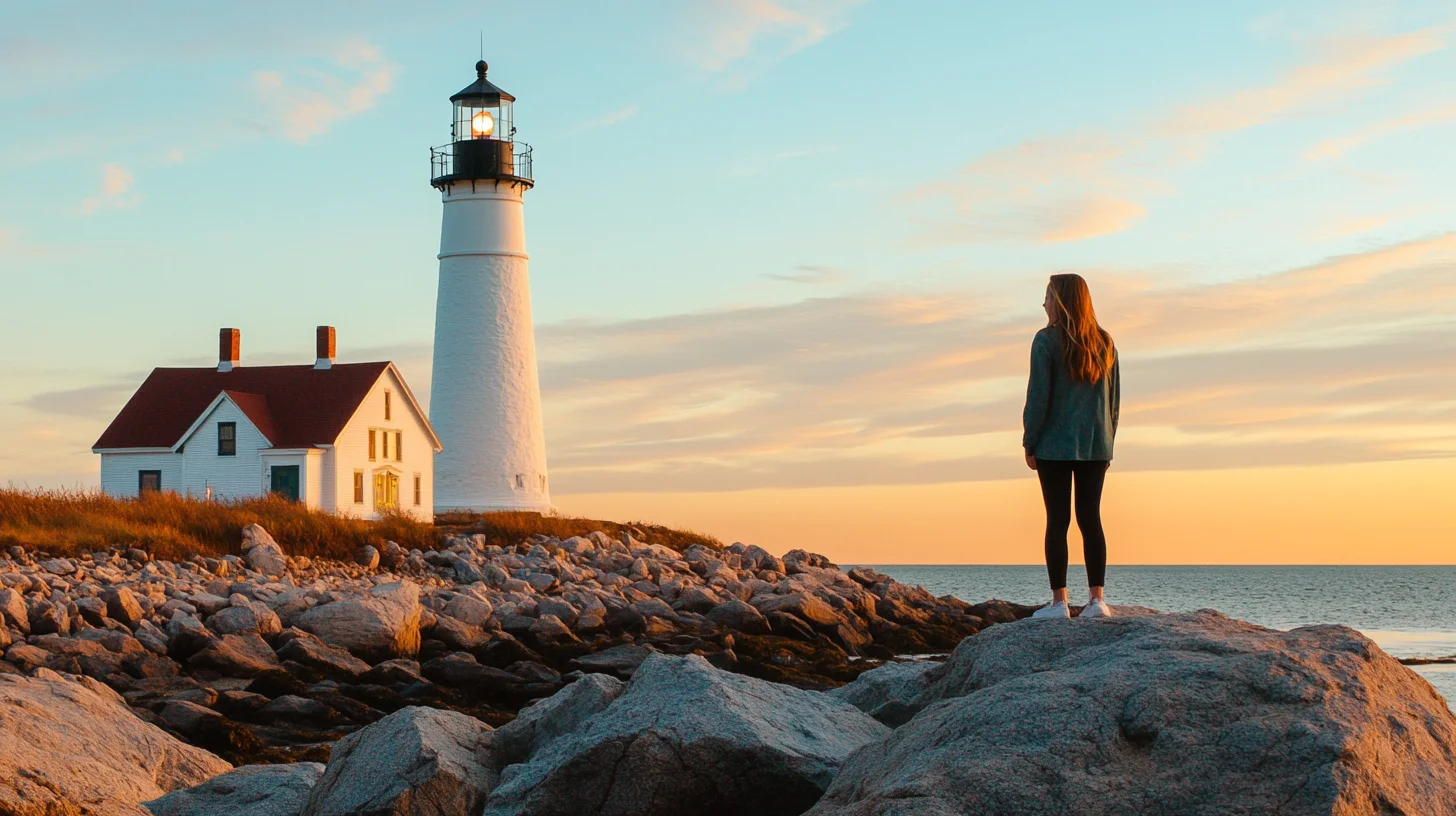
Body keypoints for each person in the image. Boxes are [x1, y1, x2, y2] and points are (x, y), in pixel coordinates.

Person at [1022, 273, 1119, 619]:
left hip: (1053, 444)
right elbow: (1114, 402)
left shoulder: (1046, 341)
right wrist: (1108, 441)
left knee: (1057, 521)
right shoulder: (1105, 342)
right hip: (1095, 444)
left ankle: (1059, 603)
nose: (1044, 304)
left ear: (1060, 302)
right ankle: (1097, 601)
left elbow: (1038, 396)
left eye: (1047, 297)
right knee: (1090, 519)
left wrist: (1029, 440)